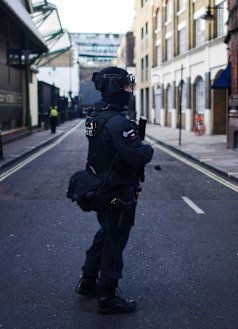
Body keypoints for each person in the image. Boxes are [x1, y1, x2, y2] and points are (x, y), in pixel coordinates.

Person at [75, 67, 154, 314]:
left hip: (101, 186)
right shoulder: (118, 122)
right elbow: (138, 155)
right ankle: (108, 295)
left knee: (105, 233)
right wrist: (147, 147)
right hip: (117, 190)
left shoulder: (95, 117)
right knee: (115, 241)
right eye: (127, 87)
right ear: (114, 88)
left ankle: (88, 281)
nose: (129, 91)